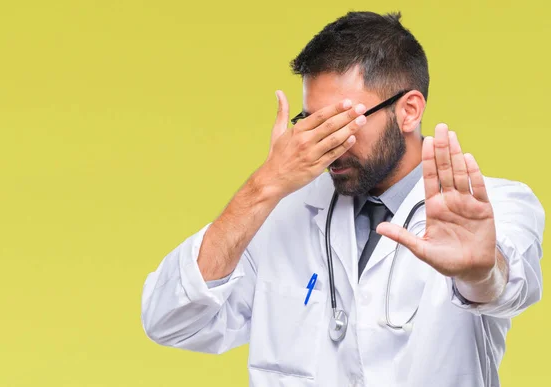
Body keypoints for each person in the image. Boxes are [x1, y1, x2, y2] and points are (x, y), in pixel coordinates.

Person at [140, 11, 544, 387]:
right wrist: (264, 185)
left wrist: (479, 271)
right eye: (312, 122)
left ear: (408, 111)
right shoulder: (281, 209)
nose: (328, 143)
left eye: (342, 120)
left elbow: (508, 287)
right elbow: (169, 320)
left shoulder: (495, 203)